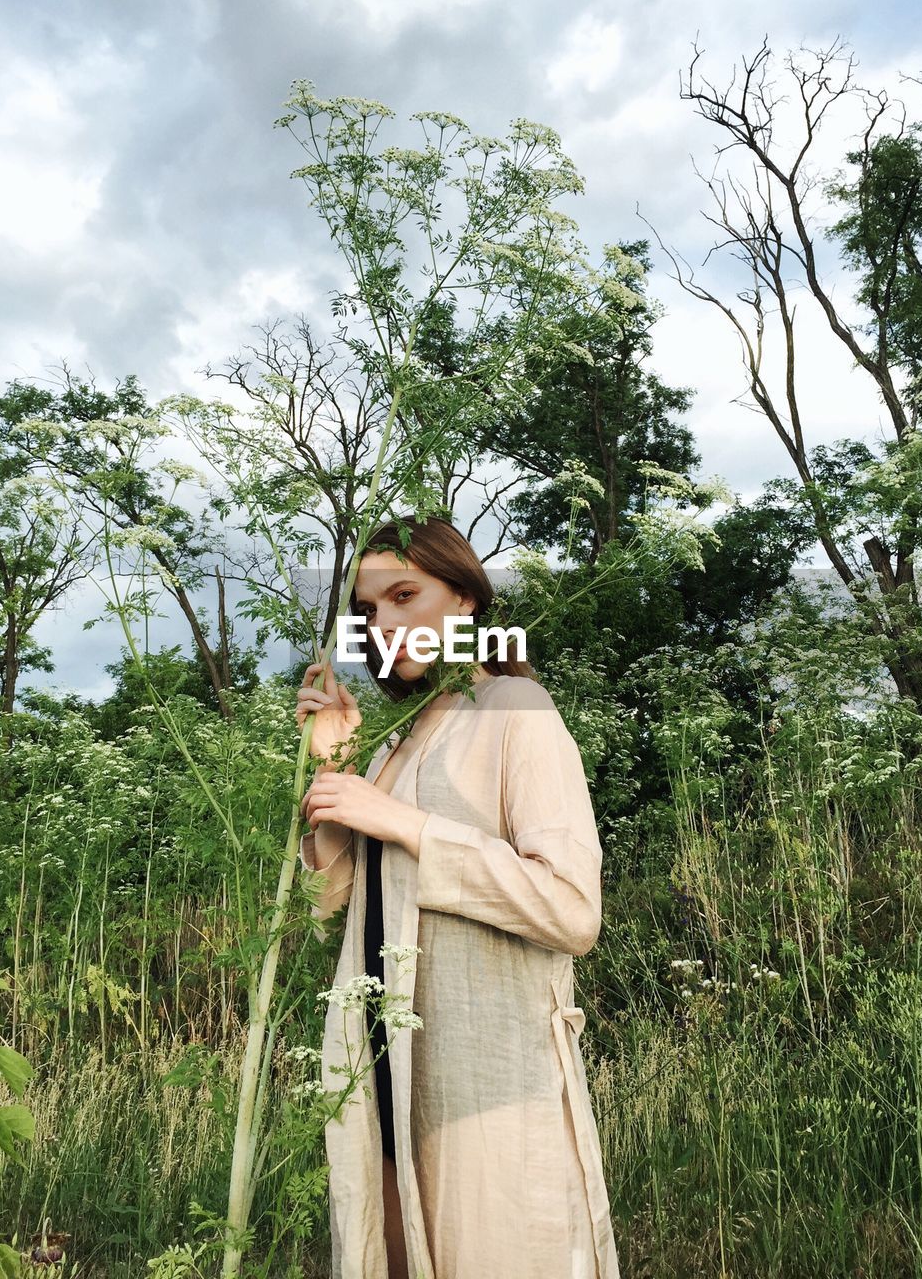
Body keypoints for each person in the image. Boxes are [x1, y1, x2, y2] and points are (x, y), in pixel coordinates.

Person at [296, 515, 621, 1279]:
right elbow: (330, 903)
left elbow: (571, 910)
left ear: (466, 598)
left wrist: (406, 823)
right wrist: (338, 769)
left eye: (404, 594)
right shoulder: (392, 742)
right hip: (381, 1079)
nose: (386, 622)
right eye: (369, 612)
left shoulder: (514, 710)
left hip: (486, 1082)